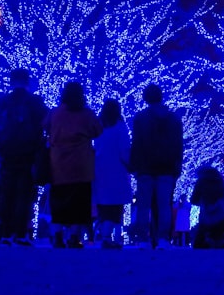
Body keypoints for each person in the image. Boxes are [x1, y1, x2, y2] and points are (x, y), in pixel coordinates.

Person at [45, 81, 102, 249]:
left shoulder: (54, 113)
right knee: (80, 202)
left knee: (58, 200)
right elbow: (98, 131)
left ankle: (57, 234)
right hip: (81, 163)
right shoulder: (87, 114)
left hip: (58, 162)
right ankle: (74, 236)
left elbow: (46, 127)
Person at [0, 68, 48, 246]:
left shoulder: (2, 101)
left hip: (7, 151)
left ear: (11, 81)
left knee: (7, 193)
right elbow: (45, 123)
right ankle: (20, 233)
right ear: (27, 81)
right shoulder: (35, 102)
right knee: (24, 194)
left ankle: (5, 233)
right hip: (28, 152)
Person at [129, 83, 184, 249]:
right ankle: (163, 239)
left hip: (145, 167)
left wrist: (134, 166)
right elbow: (178, 145)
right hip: (167, 167)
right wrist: (177, 167)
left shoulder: (140, 118)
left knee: (143, 205)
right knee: (164, 205)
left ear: (146, 97)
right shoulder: (174, 118)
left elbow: (136, 144)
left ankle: (143, 239)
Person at [94, 98, 132, 249]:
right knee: (116, 206)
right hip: (117, 171)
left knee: (104, 205)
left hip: (100, 170)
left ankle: (105, 235)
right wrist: (131, 165)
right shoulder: (121, 128)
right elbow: (124, 152)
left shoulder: (98, 127)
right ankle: (109, 238)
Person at [190, 164, 224, 249]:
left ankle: (203, 242)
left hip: (206, 213)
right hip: (221, 213)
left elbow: (194, 199)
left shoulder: (201, 181)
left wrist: (202, 203)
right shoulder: (222, 181)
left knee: (200, 238)